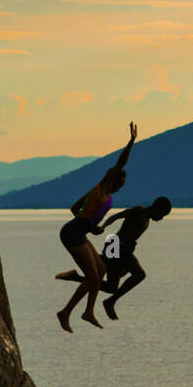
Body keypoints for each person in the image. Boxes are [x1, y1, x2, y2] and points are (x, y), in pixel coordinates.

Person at [55, 122, 137, 332]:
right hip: (72, 233)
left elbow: (75, 208)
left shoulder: (101, 193)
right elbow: (120, 164)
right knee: (93, 277)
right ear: (114, 179)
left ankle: (88, 311)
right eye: (122, 182)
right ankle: (65, 313)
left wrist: (92, 228)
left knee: (101, 270)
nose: (122, 186)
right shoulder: (104, 188)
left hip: (78, 231)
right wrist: (131, 142)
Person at [56, 197, 171, 320]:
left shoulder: (147, 218)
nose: (161, 219)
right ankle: (110, 302)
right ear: (157, 207)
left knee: (111, 287)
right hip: (116, 245)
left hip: (123, 250)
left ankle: (76, 277)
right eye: (162, 214)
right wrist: (104, 226)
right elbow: (116, 216)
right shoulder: (139, 211)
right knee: (139, 274)